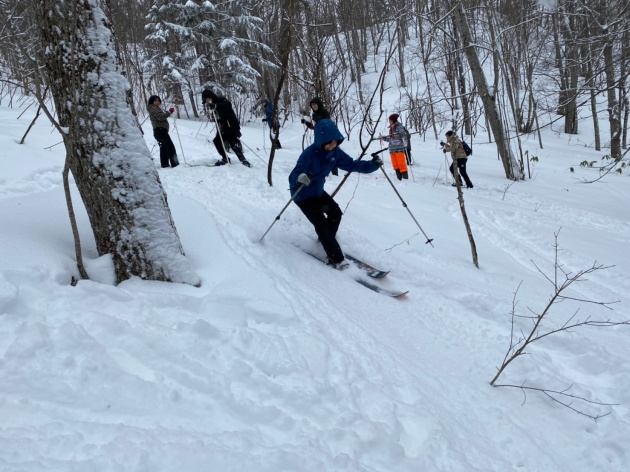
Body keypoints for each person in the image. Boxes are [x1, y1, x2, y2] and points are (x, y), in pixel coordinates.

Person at [289, 119, 383, 269]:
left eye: (335, 142)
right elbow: (294, 174)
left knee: (335, 213)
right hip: (302, 195)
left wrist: (372, 165)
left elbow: (352, 164)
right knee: (320, 223)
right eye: (329, 143)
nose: (332, 146)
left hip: (317, 192)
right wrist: (299, 178)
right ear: (321, 140)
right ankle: (336, 258)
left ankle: (326, 240)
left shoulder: (335, 153)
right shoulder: (309, 154)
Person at [201, 89, 251, 167]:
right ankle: (225, 158)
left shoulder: (221, 100)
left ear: (209, 97)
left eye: (206, 100)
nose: (207, 102)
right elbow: (219, 117)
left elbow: (227, 107)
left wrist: (216, 106)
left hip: (231, 126)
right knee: (217, 141)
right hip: (222, 128)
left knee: (233, 143)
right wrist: (213, 118)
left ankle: (243, 160)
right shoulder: (212, 106)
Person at [147, 95, 179, 168]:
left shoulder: (156, 108)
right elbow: (160, 117)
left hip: (159, 131)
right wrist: (169, 112)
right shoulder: (153, 108)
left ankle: (164, 164)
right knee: (170, 147)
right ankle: (175, 164)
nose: (157, 102)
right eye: (155, 100)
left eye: (158, 100)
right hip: (160, 131)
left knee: (164, 148)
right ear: (152, 102)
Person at [382, 114, 409, 180]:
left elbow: (404, 136)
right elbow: (391, 139)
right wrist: (384, 138)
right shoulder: (391, 129)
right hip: (392, 149)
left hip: (399, 148)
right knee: (395, 164)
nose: (389, 121)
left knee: (401, 163)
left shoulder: (399, 127)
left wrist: (405, 144)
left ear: (394, 120)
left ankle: (405, 177)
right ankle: (399, 177)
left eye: (390, 120)